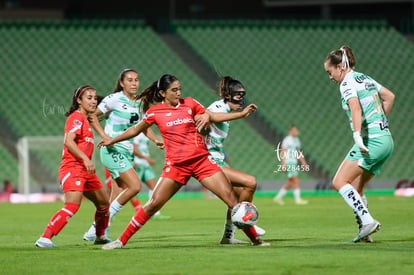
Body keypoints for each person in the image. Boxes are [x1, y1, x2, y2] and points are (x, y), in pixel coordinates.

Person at [100, 74, 269, 249]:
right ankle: (121, 241)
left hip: (202, 162)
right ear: (163, 93)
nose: (178, 92)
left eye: (179, 89)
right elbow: (135, 130)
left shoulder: (190, 103)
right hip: (176, 166)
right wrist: (112, 140)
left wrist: (240, 114)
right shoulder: (155, 112)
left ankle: (256, 240)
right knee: (153, 204)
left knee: (233, 202)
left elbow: (213, 116)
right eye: (174, 90)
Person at [324, 45, 394, 242]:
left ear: (340, 67)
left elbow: (355, 108)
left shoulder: (346, 83)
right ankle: (365, 233)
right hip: (386, 140)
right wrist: (378, 120)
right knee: (356, 186)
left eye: (330, 72)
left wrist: (357, 134)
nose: (330, 77)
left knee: (339, 182)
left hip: (371, 141)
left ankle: (368, 221)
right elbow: (389, 96)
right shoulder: (364, 78)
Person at [83, 69, 163, 241]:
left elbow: (143, 126)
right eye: (130, 80)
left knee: (116, 194)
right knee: (134, 186)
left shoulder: (140, 103)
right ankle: (97, 228)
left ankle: (98, 233)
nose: (134, 83)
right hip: (112, 149)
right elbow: (92, 116)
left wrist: (156, 140)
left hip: (127, 151)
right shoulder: (113, 99)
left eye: (136, 80)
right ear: (121, 83)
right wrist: (104, 136)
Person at [35, 85, 111, 248]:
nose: (93, 101)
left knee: (104, 203)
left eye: (95, 98)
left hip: (86, 170)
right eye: (89, 98)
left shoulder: (85, 119)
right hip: (73, 168)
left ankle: (99, 236)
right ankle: (45, 238)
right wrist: (85, 158)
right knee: (73, 204)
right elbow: (69, 141)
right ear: (79, 100)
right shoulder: (76, 117)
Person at [205, 76, 266, 244]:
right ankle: (245, 222)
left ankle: (228, 236)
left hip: (218, 160)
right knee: (250, 182)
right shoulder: (217, 108)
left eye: (243, 95)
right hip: (209, 162)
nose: (242, 100)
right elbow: (205, 117)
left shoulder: (225, 110)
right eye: (238, 96)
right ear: (227, 95)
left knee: (239, 195)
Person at [133, 133, 169, 219]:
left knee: (154, 187)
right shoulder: (136, 132)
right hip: (138, 164)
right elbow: (134, 149)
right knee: (131, 189)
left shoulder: (145, 133)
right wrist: (146, 158)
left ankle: (155, 213)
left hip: (145, 165)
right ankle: (111, 211)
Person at [273, 125, 309, 205]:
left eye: (296, 130)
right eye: (294, 130)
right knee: (296, 180)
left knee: (290, 182)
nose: (295, 132)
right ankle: (298, 199)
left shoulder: (297, 140)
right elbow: (283, 151)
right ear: (290, 131)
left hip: (294, 162)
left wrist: (303, 162)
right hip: (289, 162)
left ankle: (277, 198)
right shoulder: (287, 140)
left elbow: (298, 152)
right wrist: (283, 164)